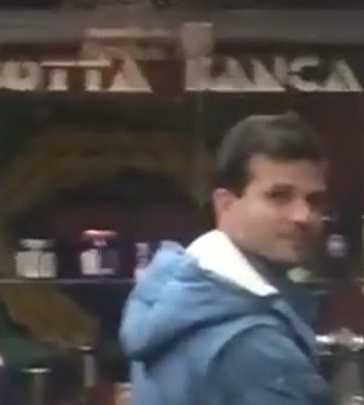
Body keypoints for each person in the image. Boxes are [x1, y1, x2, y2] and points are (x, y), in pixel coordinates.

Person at [120, 112, 332, 405]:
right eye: (279, 196)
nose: (303, 216)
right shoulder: (255, 345)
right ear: (225, 205)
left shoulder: (175, 297)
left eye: (314, 200)